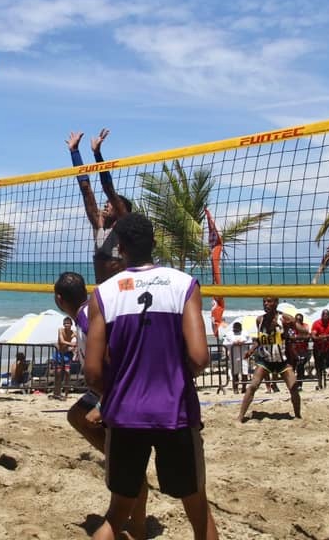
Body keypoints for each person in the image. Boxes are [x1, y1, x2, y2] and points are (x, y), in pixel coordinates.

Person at [84, 213, 218, 540]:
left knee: (117, 514)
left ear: (120, 248)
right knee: (198, 511)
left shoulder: (103, 294)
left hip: (126, 414)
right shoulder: (183, 285)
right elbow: (200, 356)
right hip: (175, 412)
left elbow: (92, 371)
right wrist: (174, 380)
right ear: (154, 243)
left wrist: (116, 392)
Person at [54, 270, 148, 538]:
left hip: (118, 389)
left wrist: (105, 402)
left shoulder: (86, 318)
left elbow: (112, 357)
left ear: (60, 299)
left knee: (130, 470)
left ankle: (138, 526)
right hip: (108, 388)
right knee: (76, 416)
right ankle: (117, 462)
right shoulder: (86, 313)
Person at [66, 129, 132, 284]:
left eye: (110, 204)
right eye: (106, 203)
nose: (106, 204)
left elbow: (108, 189)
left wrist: (97, 154)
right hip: (102, 290)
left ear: (122, 209)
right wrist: (74, 152)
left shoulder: (126, 225)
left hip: (124, 290)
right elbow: (86, 189)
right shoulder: (99, 227)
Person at [238, 296, 302, 422]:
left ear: (276, 303)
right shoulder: (260, 320)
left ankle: (298, 415)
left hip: (282, 360)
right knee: (252, 386)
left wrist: (294, 324)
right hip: (265, 360)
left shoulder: (284, 318)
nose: (266, 304)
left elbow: (303, 331)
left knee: (293, 388)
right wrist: (251, 350)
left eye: (269, 301)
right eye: (264, 302)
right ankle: (240, 417)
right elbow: (260, 339)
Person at [310, 309, 329, 389]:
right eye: (324, 315)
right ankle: (319, 383)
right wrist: (319, 338)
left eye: (327, 315)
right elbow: (313, 336)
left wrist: (323, 336)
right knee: (318, 367)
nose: (325, 316)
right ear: (321, 316)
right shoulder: (316, 323)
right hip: (318, 348)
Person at [51, 316, 78, 400]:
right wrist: (71, 344)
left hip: (67, 354)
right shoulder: (60, 330)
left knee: (67, 372)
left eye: (68, 323)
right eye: (65, 323)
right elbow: (61, 341)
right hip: (59, 354)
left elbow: (79, 340)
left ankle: (66, 393)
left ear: (71, 324)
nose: (67, 325)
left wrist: (74, 349)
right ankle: (56, 393)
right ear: (63, 324)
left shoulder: (73, 332)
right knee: (58, 373)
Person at [221, 321, 251, 394]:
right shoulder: (229, 334)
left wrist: (242, 342)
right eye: (235, 329)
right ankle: (235, 388)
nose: (236, 330)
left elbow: (250, 342)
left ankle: (244, 387)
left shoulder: (245, 333)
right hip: (233, 355)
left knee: (244, 372)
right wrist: (233, 343)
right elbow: (225, 343)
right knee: (235, 373)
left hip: (243, 355)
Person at [290, 313, 312, 390]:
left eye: (300, 319)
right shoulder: (292, 327)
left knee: (300, 368)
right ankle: (292, 385)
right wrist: (301, 337)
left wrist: (297, 337)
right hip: (293, 350)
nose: (299, 321)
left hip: (303, 350)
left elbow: (308, 336)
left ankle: (300, 385)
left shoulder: (305, 326)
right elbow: (291, 337)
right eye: (297, 320)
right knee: (292, 368)